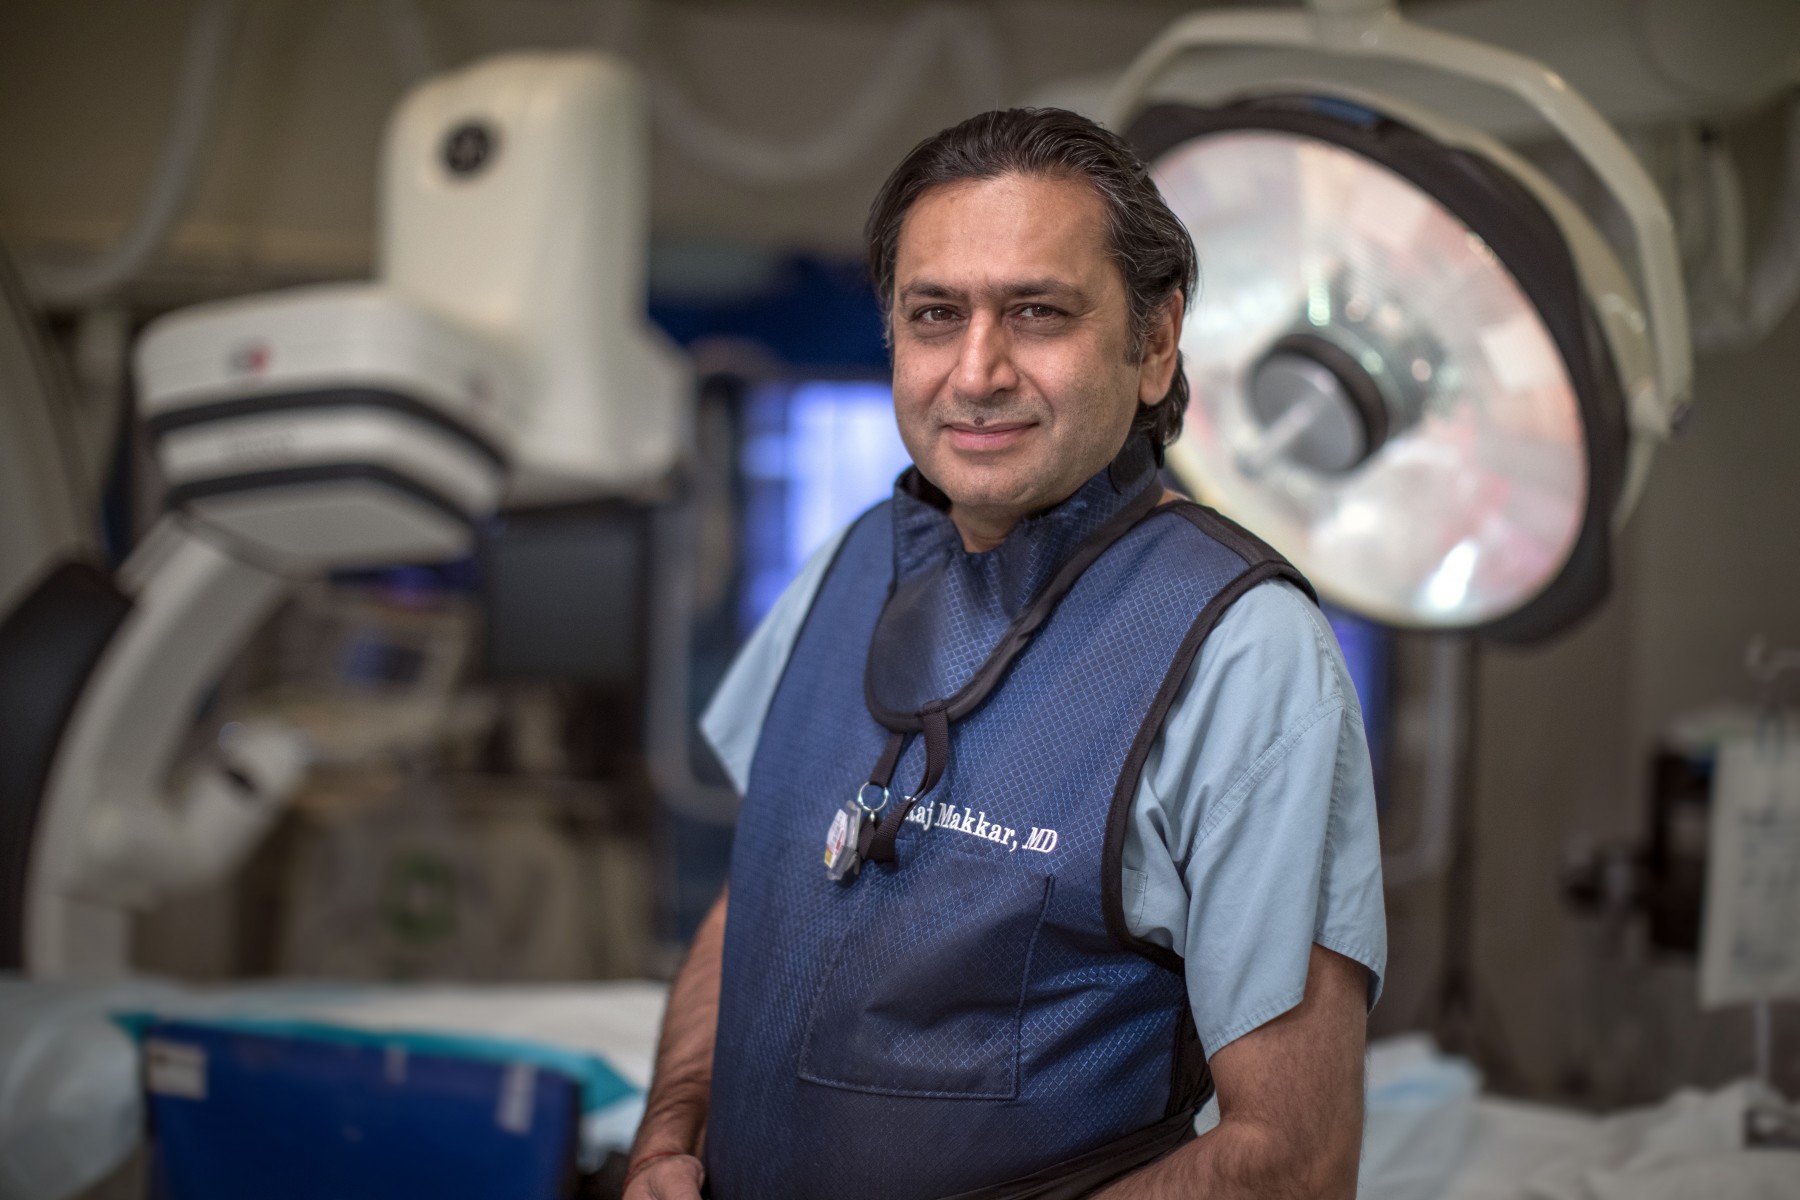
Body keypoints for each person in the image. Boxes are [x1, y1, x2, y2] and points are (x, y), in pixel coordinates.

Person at [623, 107, 1386, 1200]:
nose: (976, 371)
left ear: (1155, 343)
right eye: (936, 315)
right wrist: (668, 1139)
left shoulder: (1242, 653)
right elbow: (763, 894)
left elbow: (1291, 1160)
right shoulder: (852, 566)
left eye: (1038, 312)